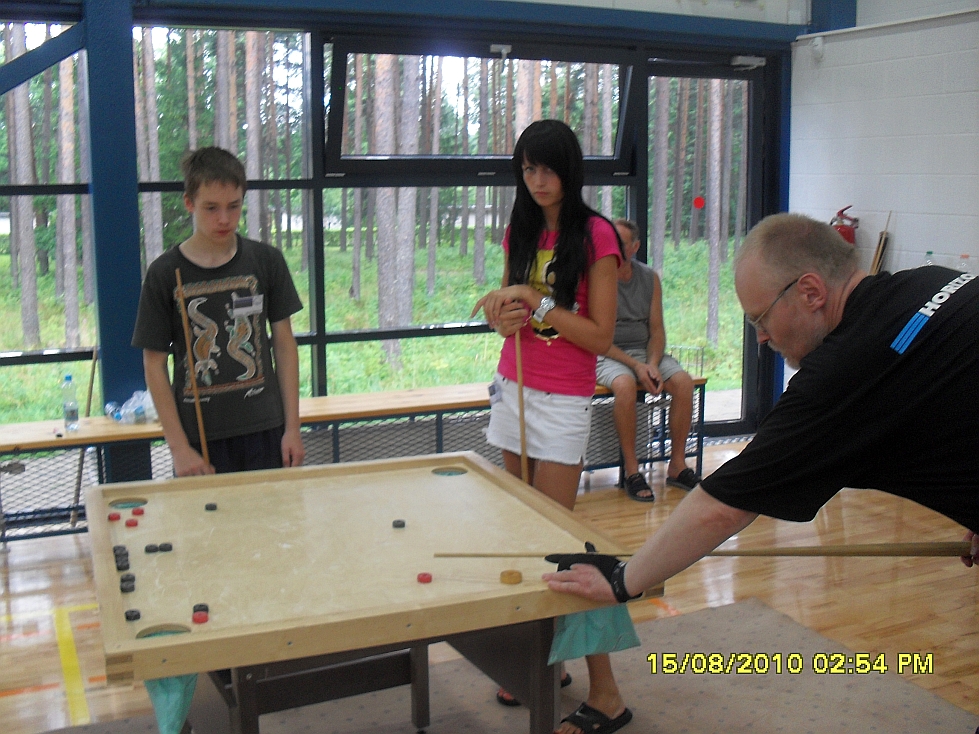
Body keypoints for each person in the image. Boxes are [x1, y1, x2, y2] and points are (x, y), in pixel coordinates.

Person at [543, 212, 978, 608]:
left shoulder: (847, 370)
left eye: (760, 318)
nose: (761, 338)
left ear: (810, 292)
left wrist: (622, 581)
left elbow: (724, 506)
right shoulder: (929, 281)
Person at [472, 119, 634, 734]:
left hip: (565, 397)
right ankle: (549, 666)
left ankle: (609, 694)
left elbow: (599, 336)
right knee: (525, 536)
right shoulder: (520, 227)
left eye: (547, 168)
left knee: (563, 546)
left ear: (568, 170)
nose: (537, 180)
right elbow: (512, 314)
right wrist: (503, 313)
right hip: (512, 385)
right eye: (527, 169)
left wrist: (534, 300)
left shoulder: (596, 234)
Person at [132, 146, 305, 477]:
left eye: (233, 206)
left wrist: (293, 428)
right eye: (211, 208)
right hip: (199, 438)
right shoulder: (164, 273)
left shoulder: (266, 261)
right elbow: (153, 364)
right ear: (189, 203)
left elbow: (284, 344)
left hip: (266, 428)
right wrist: (179, 448)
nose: (224, 219)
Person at [595, 218, 701, 501]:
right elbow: (597, 338)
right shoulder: (596, 276)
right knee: (625, 385)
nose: (614, 249)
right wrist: (636, 366)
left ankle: (677, 465)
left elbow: (657, 330)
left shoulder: (649, 277)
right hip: (607, 353)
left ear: (635, 247)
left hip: (645, 351)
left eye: (621, 243)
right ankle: (632, 471)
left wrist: (652, 364)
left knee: (683, 382)